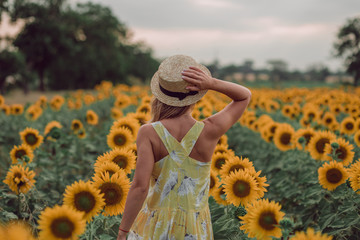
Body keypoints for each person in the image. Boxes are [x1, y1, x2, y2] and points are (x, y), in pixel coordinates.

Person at [117, 55, 251, 240]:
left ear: (159, 96)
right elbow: (244, 96)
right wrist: (211, 83)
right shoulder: (209, 130)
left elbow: (140, 187)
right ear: (196, 96)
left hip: (156, 225)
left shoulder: (148, 133)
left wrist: (123, 231)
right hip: (195, 227)